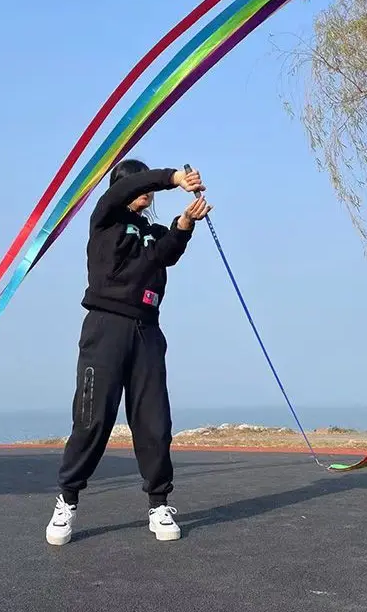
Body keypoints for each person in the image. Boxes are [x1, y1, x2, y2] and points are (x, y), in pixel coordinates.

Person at [45, 159, 211, 545]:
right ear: (120, 188)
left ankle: (158, 503)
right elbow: (122, 191)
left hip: (147, 330)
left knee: (154, 419)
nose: (144, 190)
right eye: (137, 183)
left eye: (147, 184)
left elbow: (165, 253)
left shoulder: (150, 231)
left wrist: (185, 223)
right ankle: (67, 500)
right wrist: (172, 178)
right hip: (105, 328)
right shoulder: (104, 219)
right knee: (92, 418)